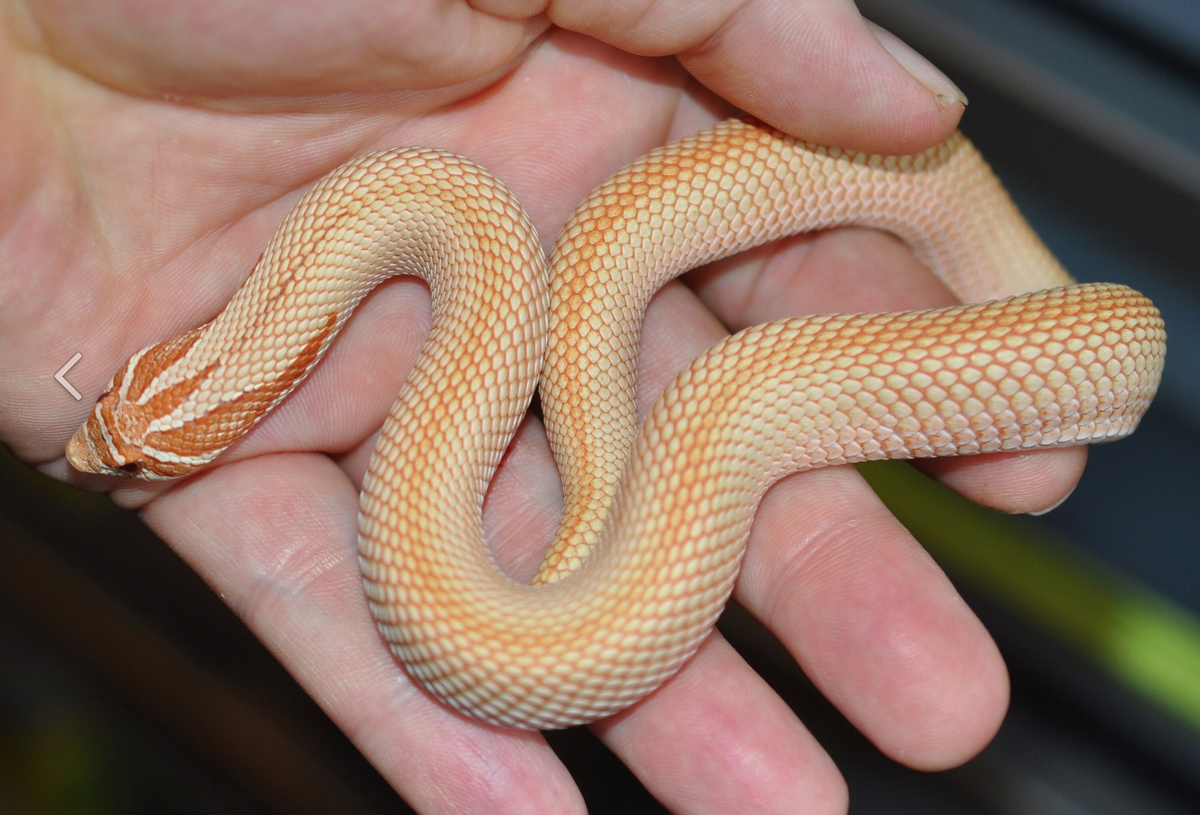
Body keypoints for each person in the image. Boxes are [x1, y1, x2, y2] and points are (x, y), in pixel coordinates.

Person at [0, 2, 1088, 812]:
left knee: (746, 362)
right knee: (714, 369)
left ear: (220, 380)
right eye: (133, 445)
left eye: (125, 428)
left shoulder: (424, 209)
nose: (109, 451)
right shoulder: (413, 218)